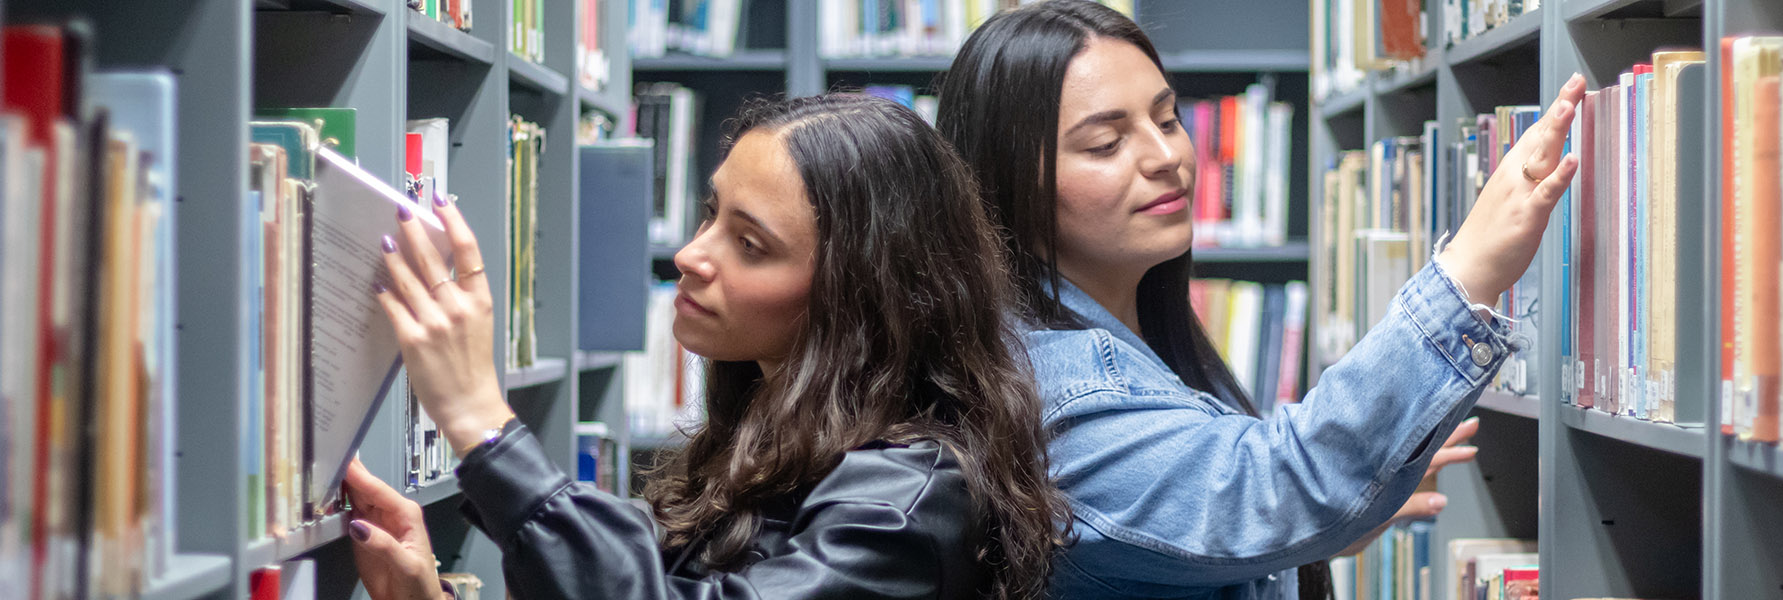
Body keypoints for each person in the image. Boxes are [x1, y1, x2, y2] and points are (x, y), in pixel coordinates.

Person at [935, 1, 1584, 598]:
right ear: (1007, 182)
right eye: (1107, 143)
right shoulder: (1057, 397)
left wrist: (1324, 522)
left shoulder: (1134, 341)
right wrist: (1469, 270)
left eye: (1167, 119)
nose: (1167, 156)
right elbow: (1268, 485)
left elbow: (1213, 517)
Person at [342, 94, 1069, 600]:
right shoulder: (764, 441)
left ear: (858, 295)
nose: (691, 254)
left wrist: (480, 423)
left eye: (751, 245)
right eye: (712, 214)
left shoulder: (911, 497)